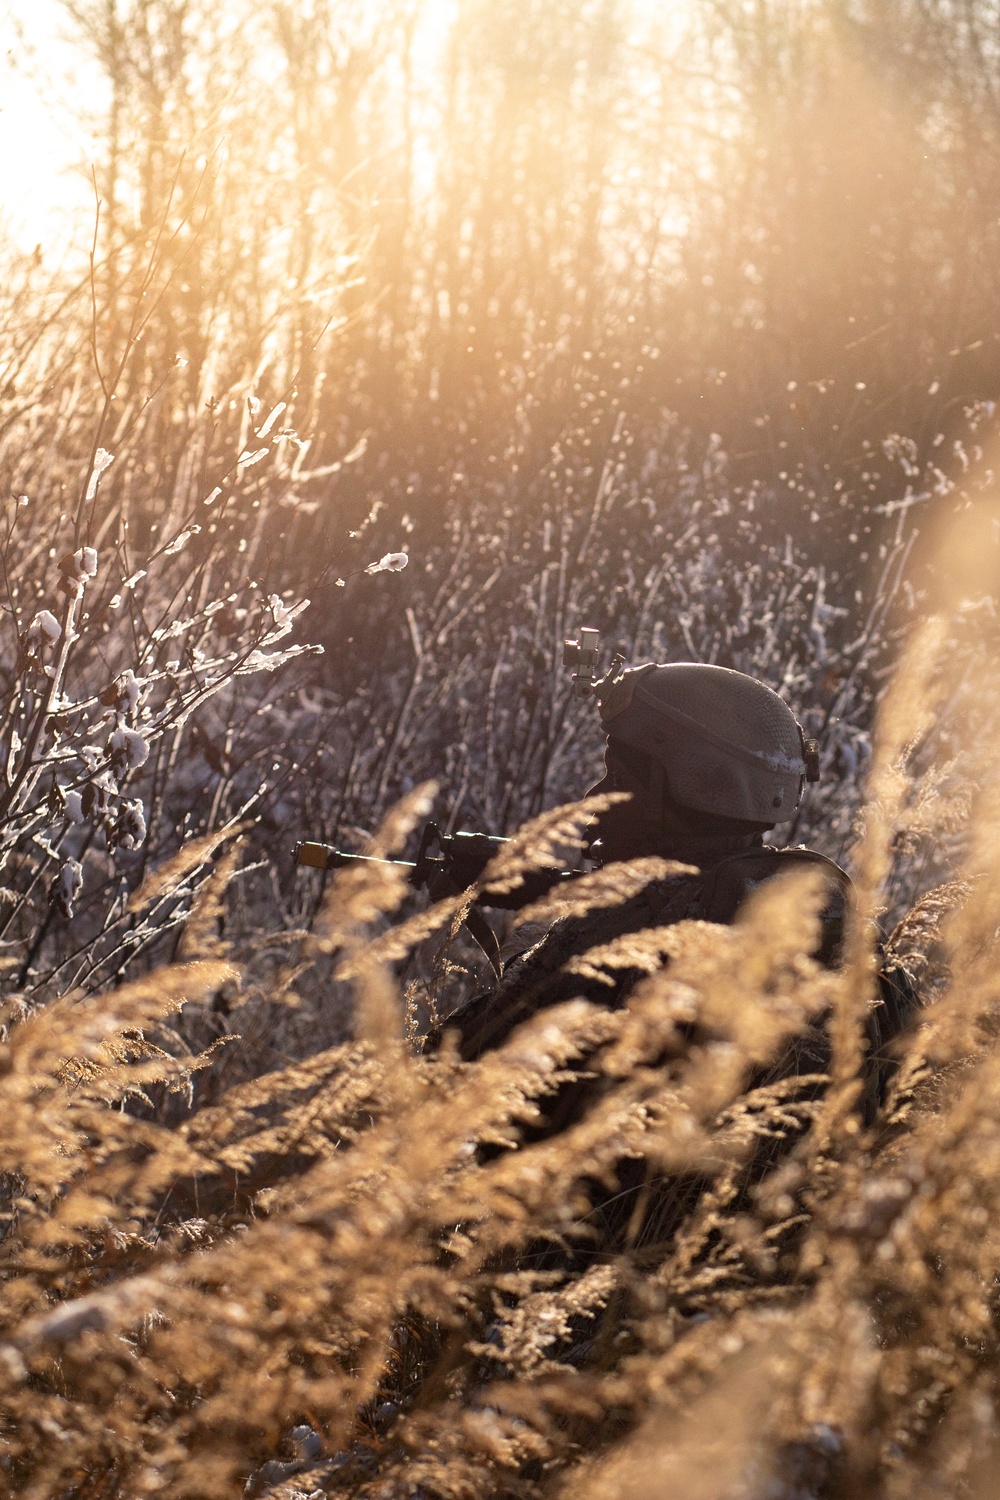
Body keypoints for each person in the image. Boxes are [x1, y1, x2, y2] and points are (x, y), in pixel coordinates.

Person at [429, 658, 916, 1098]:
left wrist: (535, 937)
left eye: (620, 778)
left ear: (689, 786)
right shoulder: (817, 902)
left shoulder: (613, 933)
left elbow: (455, 1074)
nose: (595, 797)